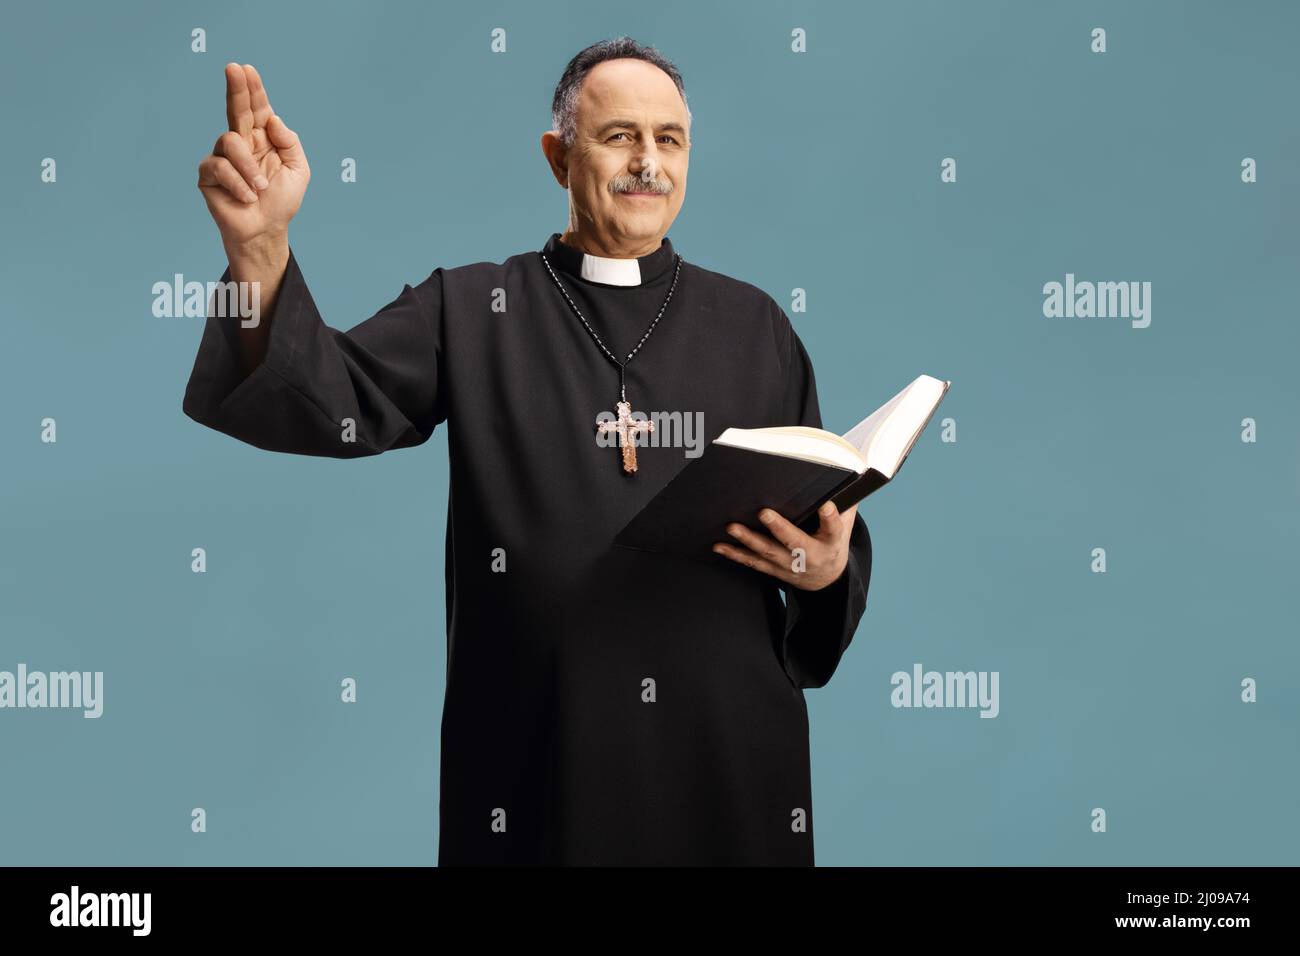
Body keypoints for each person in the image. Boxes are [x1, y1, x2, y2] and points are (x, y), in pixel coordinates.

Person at [184, 36, 872, 865]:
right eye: (620, 136)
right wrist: (260, 250)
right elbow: (329, 401)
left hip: (726, 762)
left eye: (669, 139)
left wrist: (827, 571)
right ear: (559, 156)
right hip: (541, 764)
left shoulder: (756, 325)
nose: (648, 162)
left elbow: (824, 531)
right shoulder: (474, 310)